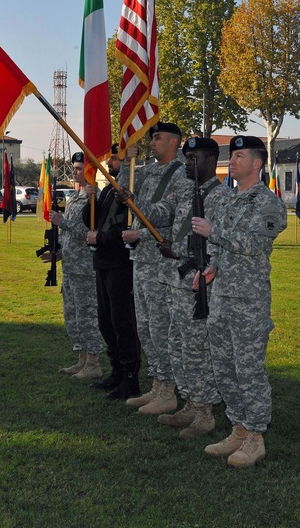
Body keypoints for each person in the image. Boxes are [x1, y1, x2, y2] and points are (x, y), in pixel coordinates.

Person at [192, 136, 286, 468]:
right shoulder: (231, 200)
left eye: (239, 155)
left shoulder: (268, 203)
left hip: (249, 301)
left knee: (248, 370)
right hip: (223, 296)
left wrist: (213, 232)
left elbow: (255, 246)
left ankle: (256, 437)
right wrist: (210, 269)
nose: (232, 160)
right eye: (231, 155)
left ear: (257, 163)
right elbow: (224, 249)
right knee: (225, 367)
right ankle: (238, 428)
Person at [127, 136, 228, 438]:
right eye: (185, 159)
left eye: (193, 159)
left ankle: (205, 413)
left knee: (198, 348)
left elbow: (218, 241)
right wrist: (131, 199)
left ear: (210, 161)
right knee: (178, 345)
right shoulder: (186, 189)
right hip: (175, 281)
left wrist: (178, 249)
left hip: (198, 285)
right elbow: (162, 212)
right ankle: (188, 403)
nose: (187, 164)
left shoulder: (220, 197)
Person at [119, 122, 188, 416]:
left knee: (162, 328)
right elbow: (125, 190)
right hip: (142, 260)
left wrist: (142, 234)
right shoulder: (147, 169)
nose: (152, 142)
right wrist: (125, 162)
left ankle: (169, 390)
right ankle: (157, 384)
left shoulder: (181, 173)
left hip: (162, 260)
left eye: (157, 137)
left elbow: (172, 218)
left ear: (173, 142)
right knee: (146, 327)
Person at [83, 145, 140, 400]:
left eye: (115, 158)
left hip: (121, 263)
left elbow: (130, 229)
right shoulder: (108, 189)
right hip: (103, 263)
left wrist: (101, 238)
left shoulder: (129, 191)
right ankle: (116, 371)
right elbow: (91, 221)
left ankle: (130, 378)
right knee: (105, 321)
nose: (109, 163)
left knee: (122, 322)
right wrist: (91, 199)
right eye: (110, 158)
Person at [50, 152, 104, 380]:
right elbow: (70, 235)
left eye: (80, 168)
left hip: (85, 269)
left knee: (87, 316)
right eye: (74, 168)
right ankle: (82, 359)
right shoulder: (76, 197)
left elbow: (91, 233)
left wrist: (64, 222)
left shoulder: (95, 199)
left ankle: (93, 362)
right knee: (72, 315)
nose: (75, 172)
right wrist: (59, 251)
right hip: (71, 266)